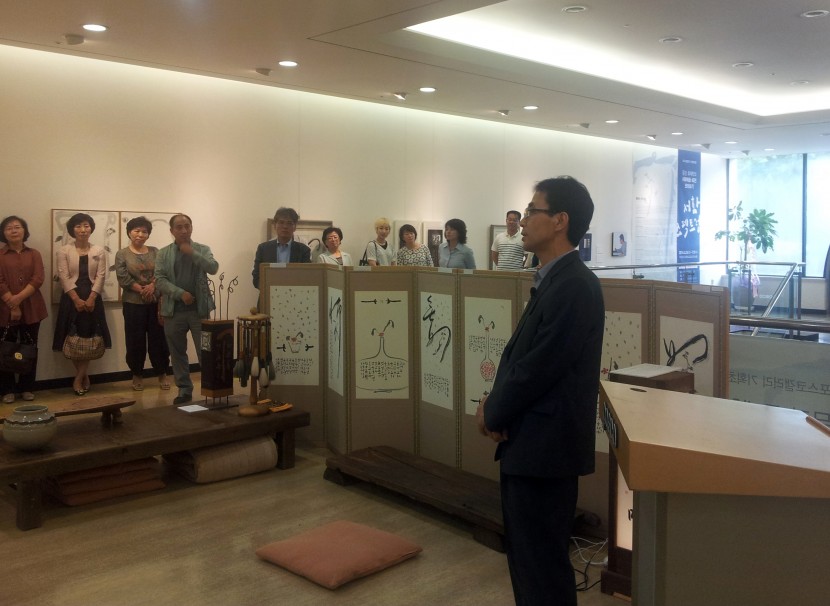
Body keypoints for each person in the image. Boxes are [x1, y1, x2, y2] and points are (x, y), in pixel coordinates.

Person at [476, 176, 605, 606]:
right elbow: (522, 358)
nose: (525, 219)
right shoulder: (553, 279)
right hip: (529, 443)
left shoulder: (575, 285)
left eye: (533, 210)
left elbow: (540, 368)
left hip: (546, 450)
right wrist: (499, 410)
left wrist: (493, 411)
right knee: (529, 563)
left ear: (560, 221)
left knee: (541, 568)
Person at [155, 214, 219, 404]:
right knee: (177, 352)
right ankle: (184, 390)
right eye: (179, 227)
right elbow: (159, 280)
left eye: (187, 226)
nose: (183, 230)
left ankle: (211, 387)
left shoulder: (202, 249)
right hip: (173, 310)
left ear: (192, 228)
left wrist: (192, 253)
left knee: (206, 350)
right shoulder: (163, 253)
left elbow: (213, 267)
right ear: (172, 231)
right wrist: (180, 293)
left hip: (199, 310)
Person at [52, 212, 112, 396]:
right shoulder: (63, 251)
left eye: (86, 226)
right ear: (72, 230)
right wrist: (76, 299)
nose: (83, 229)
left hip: (93, 297)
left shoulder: (99, 251)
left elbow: (101, 276)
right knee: (72, 337)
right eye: (78, 226)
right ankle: (82, 376)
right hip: (71, 298)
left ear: (91, 228)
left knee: (87, 337)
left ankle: (78, 378)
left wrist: (92, 298)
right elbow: (63, 276)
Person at [115, 216, 171, 391]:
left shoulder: (156, 251)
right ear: (129, 232)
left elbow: (163, 272)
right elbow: (123, 278)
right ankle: (137, 374)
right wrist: (142, 289)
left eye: (144, 231)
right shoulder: (122, 254)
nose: (140, 234)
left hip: (156, 303)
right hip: (133, 303)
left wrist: (153, 286)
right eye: (136, 231)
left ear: (148, 234)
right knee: (135, 340)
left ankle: (162, 373)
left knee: (159, 339)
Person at [0, 216, 48, 403]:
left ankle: (27, 387)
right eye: (8, 228)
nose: (13, 230)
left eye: (17, 227)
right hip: (4, 309)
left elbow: (38, 278)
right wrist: (12, 304)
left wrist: (17, 299)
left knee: (30, 347)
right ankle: (7, 389)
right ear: (3, 233)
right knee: (5, 348)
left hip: (32, 307)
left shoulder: (34, 253)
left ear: (24, 230)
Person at [252, 207, 311, 288]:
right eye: (281, 222)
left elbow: (307, 277)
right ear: (275, 225)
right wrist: (268, 289)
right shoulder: (263, 249)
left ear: (295, 227)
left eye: (289, 223)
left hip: (294, 293)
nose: (285, 226)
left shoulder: (304, 250)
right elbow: (256, 276)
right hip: (268, 293)